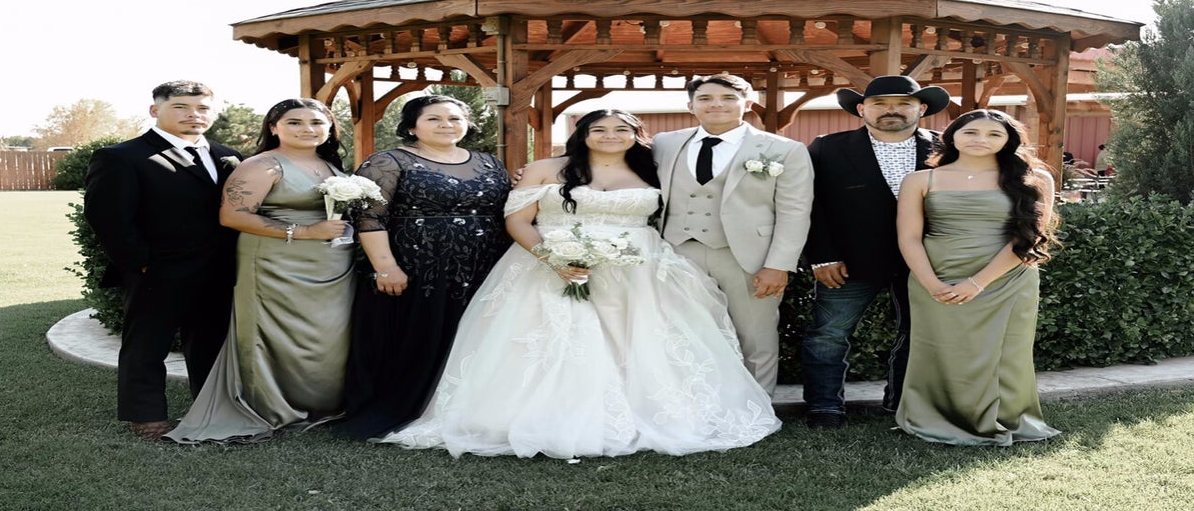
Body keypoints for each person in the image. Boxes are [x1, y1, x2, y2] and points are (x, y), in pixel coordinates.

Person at [381, 110, 779, 458]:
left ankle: (650, 412)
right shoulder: (544, 168)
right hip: (549, 265)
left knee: (639, 341)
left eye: (621, 129)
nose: (610, 136)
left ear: (636, 135)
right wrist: (553, 259)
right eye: (599, 129)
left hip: (637, 271)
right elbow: (517, 220)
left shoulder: (655, 169)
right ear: (582, 134)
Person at [166, 98, 354, 443]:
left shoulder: (329, 165)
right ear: (273, 128)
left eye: (316, 122)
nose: (307, 129)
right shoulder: (262, 165)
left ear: (330, 129)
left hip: (331, 265)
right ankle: (269, 405)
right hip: (275, 263)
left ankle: (322, 403)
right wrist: (305, 232)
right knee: (277, 336)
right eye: (294, 122)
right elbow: (232, 216)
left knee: (329, 337)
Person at [333, 94, 512, 440]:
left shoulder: (489, 162)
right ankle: (409, 405)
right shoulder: (388, 161)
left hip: (483, 265)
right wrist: (385, 267)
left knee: (473, 334)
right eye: (434, 119)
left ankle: (468, 407)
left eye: (455, 118)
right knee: (419, 334)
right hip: (417, 267)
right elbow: (369, 217)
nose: (447, 125)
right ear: (412, 126)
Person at [84, 80, 241, 440]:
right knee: (147, 344)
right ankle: (147, 415)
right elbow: (107, 217)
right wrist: (140, 263)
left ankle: (211, 406)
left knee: (212, 342)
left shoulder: (228, 155)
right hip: (157, 271)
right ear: (155, 110)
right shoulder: (122, 156)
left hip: (219, 270)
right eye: (181, 107)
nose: (194, 115)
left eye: (202, 108)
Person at [895, 109, 1061, 445]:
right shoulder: (920, 180)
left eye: (993, 134)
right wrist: (932, 283)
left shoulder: (1036, 179)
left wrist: (977, 283)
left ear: (1008, 141)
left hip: (1008, 278)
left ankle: (1007, 417)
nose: (981, 140)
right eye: (971, 132)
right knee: (941, 349)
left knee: (1007, 354)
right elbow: (909, 237)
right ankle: (938, 415)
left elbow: (1029, 239)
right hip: (936, 275)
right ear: (952, 136)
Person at [800, 75, 950, 429]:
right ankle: (825, 407)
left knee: (919, 333)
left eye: (903, 103)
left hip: (926, 261)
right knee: (828, 334)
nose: (891, 110)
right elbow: (810, 204)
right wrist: (821, 256)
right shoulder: (827, 147)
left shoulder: (947, 149)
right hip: (847, 261)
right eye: (879, 103)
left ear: (921, 108)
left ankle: (901, 402)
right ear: (862, 109)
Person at [652, 74, 814, 395]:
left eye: (728, 98)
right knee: (685, 332)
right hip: (677, 252)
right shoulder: (664, 144)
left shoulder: (784, 149)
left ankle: (758, 408)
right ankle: (696, 402)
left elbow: (795, 211)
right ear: (691, 106)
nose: (716, 105)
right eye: (705, 98)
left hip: (749, 257)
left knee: (755, 336)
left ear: (748, 104)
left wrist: (778, 265)